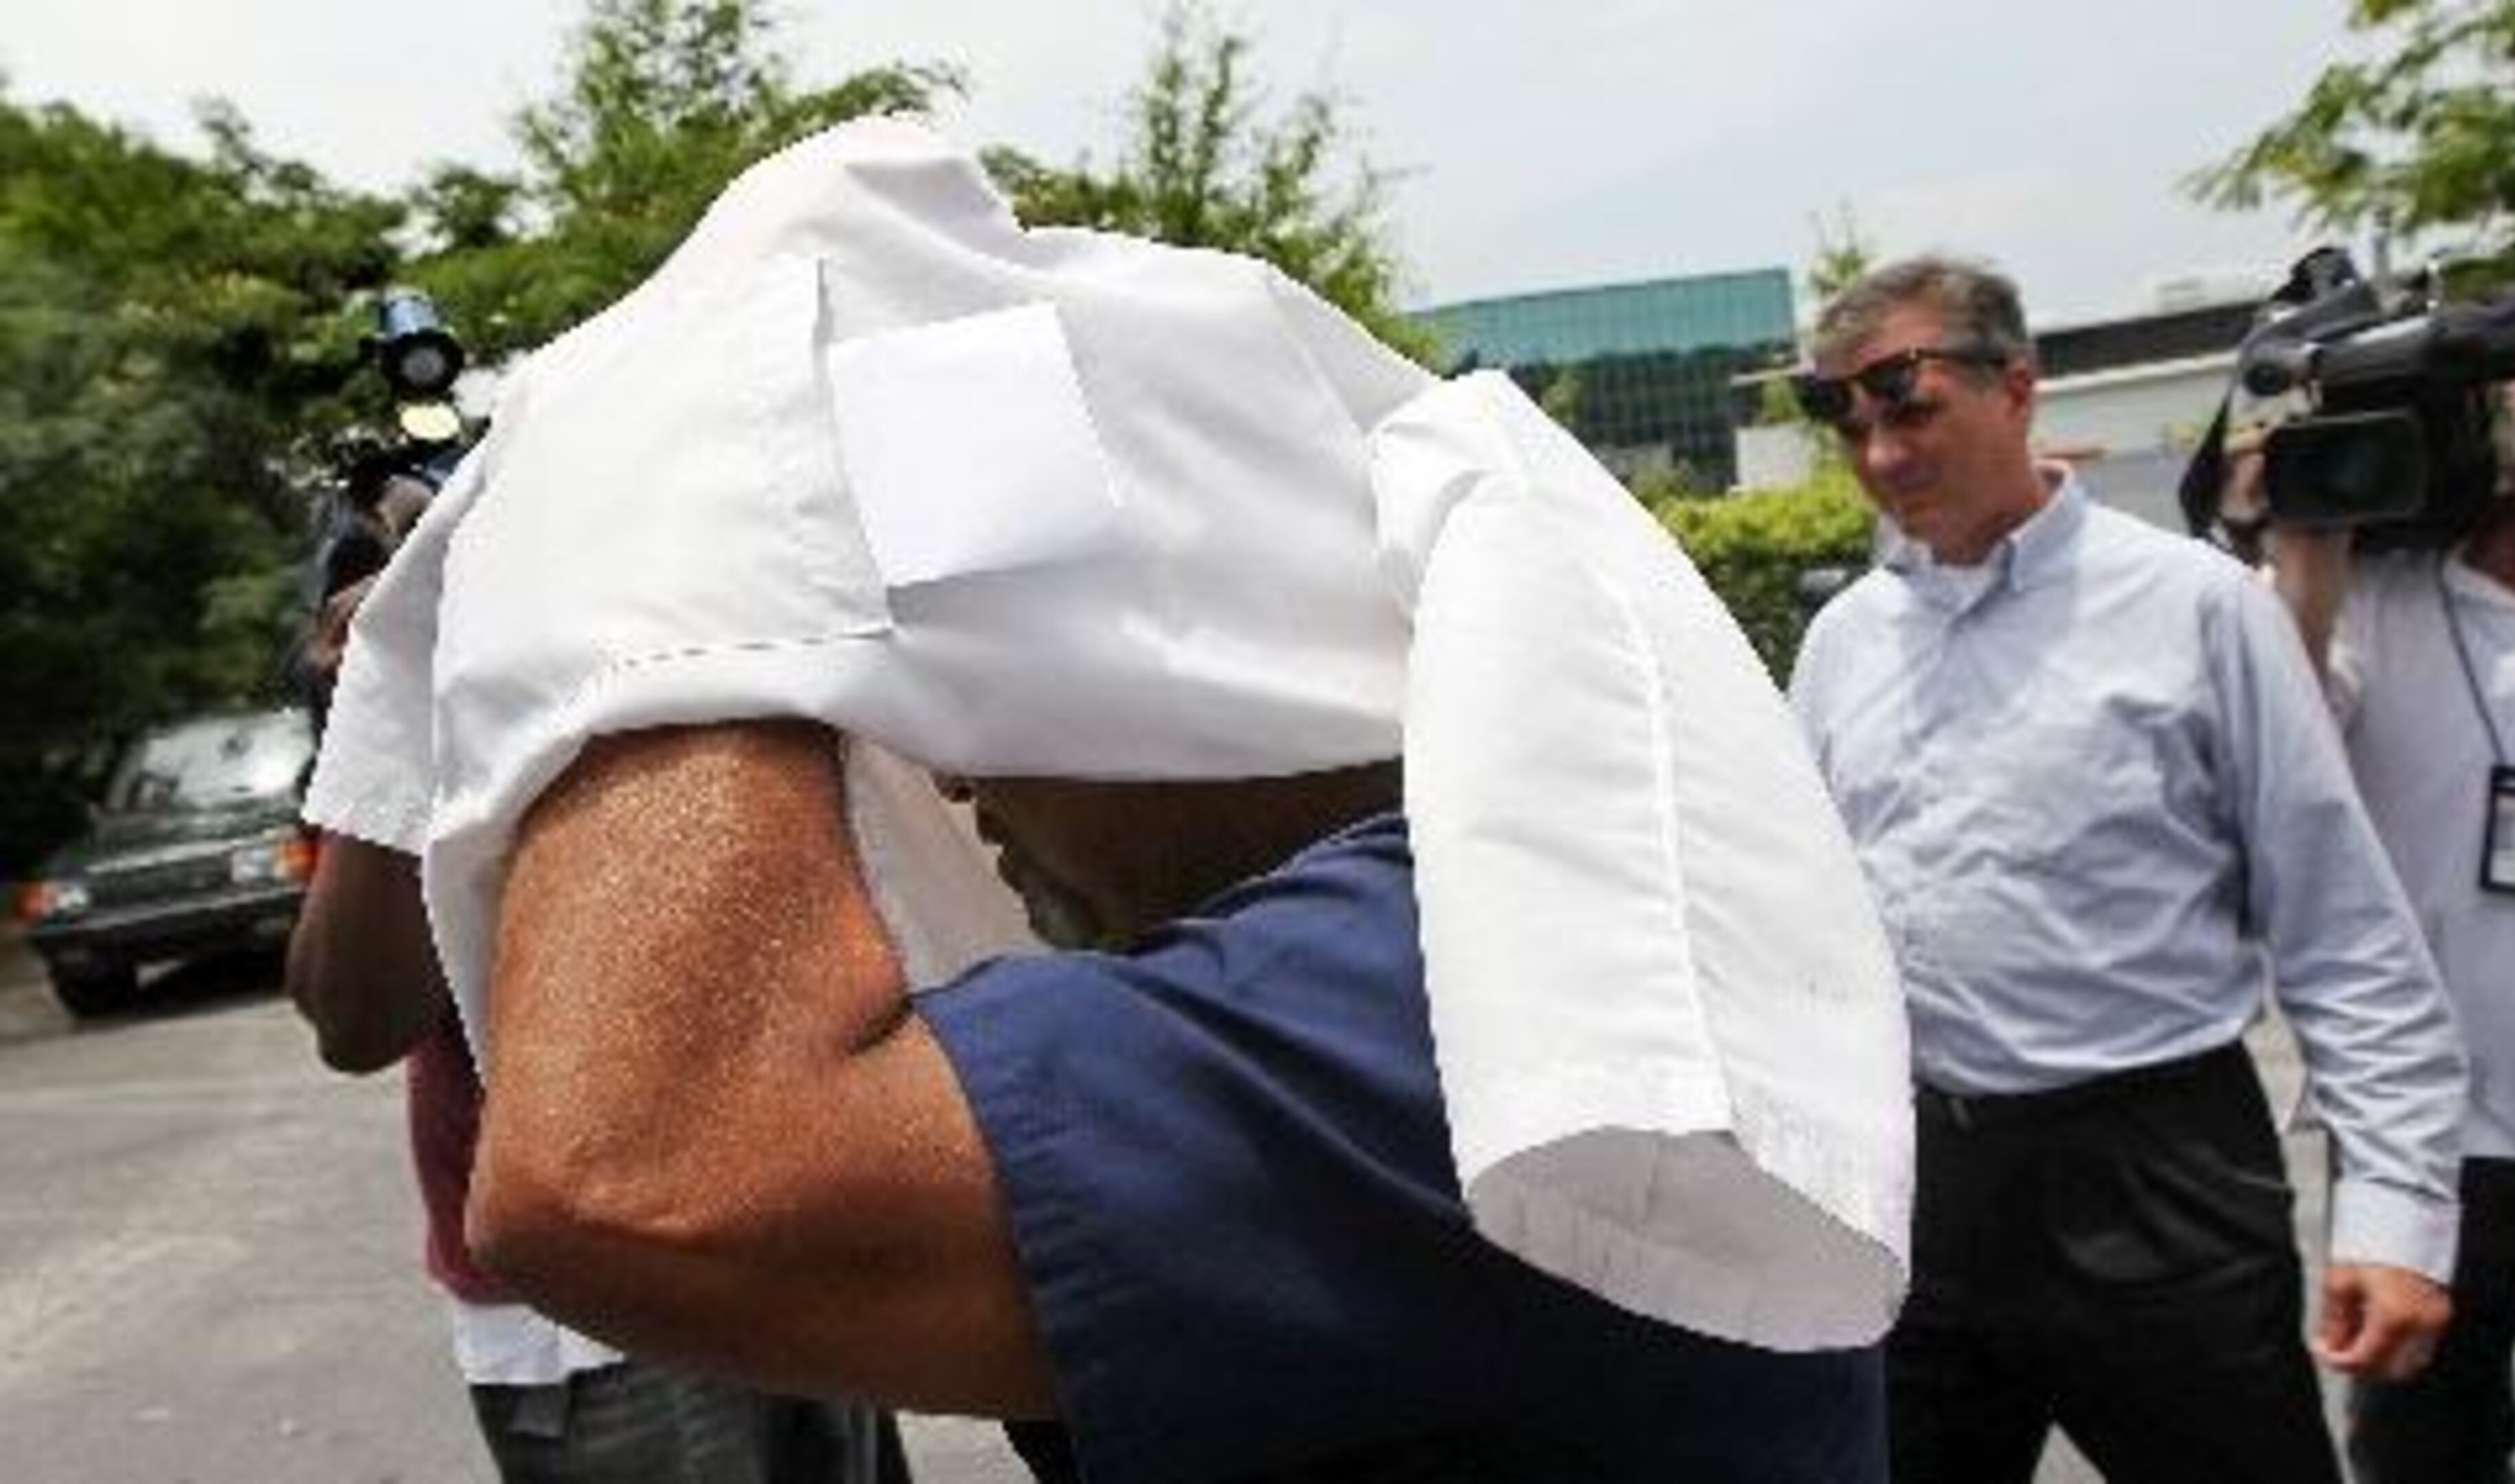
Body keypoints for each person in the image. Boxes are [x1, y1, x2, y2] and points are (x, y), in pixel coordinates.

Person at [300, 117, 1921, 1483]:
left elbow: (629, 1182)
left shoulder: (1440, 987)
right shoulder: (1469, 903)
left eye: (991, 691)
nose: (950, 764)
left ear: (1193, 672)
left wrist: (675, 463)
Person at [1785, 254, 2470, 1484]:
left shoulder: (2197, 608)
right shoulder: (1844, 646)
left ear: (2020, 389)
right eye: (1848, 422)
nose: (1882, 454)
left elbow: (2343, 927)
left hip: (2156, 1175)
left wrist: (2397, 1212)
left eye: (1910, 404)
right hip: (1926, 1189)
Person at [288, 539, 904, 1484]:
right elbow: (357, 1020)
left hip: (796, 1231)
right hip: (599, 1312)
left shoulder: (679, 628)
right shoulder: (429, 704)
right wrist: (390, 694)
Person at [2268, 251, 2515, 1483]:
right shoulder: (2386, 597)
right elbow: (2281, 745)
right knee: (2418, 1466)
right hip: (2435, 1144)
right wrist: (2308, 539)